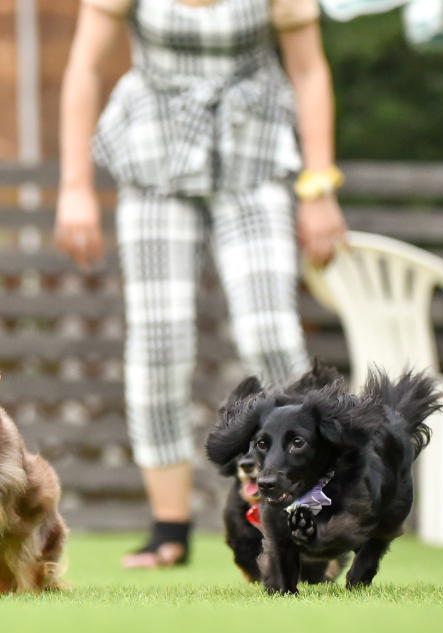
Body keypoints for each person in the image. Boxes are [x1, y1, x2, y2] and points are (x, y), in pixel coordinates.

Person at [55, 0, 348, 567]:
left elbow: (309, 71)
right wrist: (75, 185)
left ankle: (311, 515)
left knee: (271, 334)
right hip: (154, 159)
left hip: (253, 155)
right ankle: (169, 528)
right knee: (160, 341)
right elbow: (85, 66)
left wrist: (319, 189)